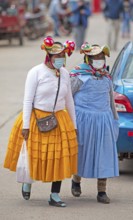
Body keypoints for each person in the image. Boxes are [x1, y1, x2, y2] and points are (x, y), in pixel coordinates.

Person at [4, 36, 78, 208]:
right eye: (56, 56)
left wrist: (74, 126)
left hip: (59, 119)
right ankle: (27, 182)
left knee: (59, 157)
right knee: (35, 156)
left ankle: (54, 195)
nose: (60, 59)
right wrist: (26, 127)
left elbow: (69, 102)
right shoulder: (35, 72)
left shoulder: (65, 74)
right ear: (48, 57)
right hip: (36, 119)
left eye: (62, 56)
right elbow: (28, 100)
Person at [70, 42, 119, 204]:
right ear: (88, 59)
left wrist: (114, 120)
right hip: (83, 120)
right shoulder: (78, 76)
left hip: (103, 120)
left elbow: (111, 100)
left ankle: (102, 191)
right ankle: (76, 181)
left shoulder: (106, 78)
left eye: (102, 57)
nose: (100, 59)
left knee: (103, 154)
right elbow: (67, 98)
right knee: (81, 152)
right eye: (96, 57)